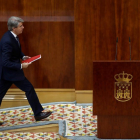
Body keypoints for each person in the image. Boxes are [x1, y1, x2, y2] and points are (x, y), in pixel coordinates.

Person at [0, 16, 52, 125]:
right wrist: (20, 66)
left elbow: (16, 51)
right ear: (14, 28)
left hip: (9, 73)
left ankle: (38, 113)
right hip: (10, 72)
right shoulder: (7, 41)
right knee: (29, 88)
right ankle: (38, 113)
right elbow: (5, 62)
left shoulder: (13, 36)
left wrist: (23, 57)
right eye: (21, 26)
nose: (23, 27)